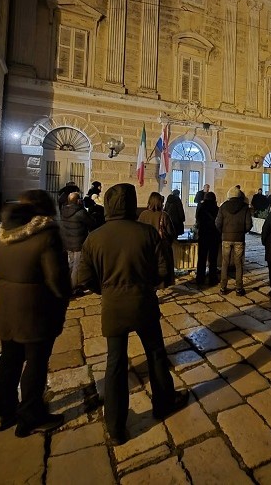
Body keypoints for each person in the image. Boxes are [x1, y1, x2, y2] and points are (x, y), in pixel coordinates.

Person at [77, 183, 189, 445]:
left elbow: (83, 277)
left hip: (113, 306)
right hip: (143, 302)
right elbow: (162, 270)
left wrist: (106, 290)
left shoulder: (95, 237)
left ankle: (115, 426)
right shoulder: (147, 234)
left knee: (115, 364)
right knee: (155, 354)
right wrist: (143, 283)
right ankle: (163, 401)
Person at [0, 189, 71, 437]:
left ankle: (1, 413)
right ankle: (31, 416)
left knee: (9, 360)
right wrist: (64, 296)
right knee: (35, 364)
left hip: (7, 311)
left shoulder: (4, 234)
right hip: (37, 312)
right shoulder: (47, 235)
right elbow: (57, 280)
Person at [216, 186, 253, 295]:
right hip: (239, 239)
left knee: (225, 263)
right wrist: (242, 232)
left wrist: (223, 232)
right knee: (238, 264)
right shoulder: (245, 208)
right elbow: (249, 225)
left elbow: (218, 223)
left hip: (226, 238)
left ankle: (223, 287)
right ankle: (239, 288)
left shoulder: (223, 207)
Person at [60, 192, 96, 295]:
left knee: (71, 264)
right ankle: (73, 288)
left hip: (68, 242)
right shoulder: (80, 212)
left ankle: (69, 284)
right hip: (78, 243)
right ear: (78, 200)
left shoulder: (64, 210)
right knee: (77, 265)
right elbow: (91, 223)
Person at [138, 192, 176, 288]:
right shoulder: (164, 215)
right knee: (160, 269)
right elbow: (171, 233)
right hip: (161, 248)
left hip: (146, 247)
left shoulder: (143, 215)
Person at [195, 191, 220, 287]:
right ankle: (212, 278)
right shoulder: (217, 209)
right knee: (213, 259)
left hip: (204, 235)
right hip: (214, 235)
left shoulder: (201, 208)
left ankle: (200, 278)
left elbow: (198, 219)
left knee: (201, 258)